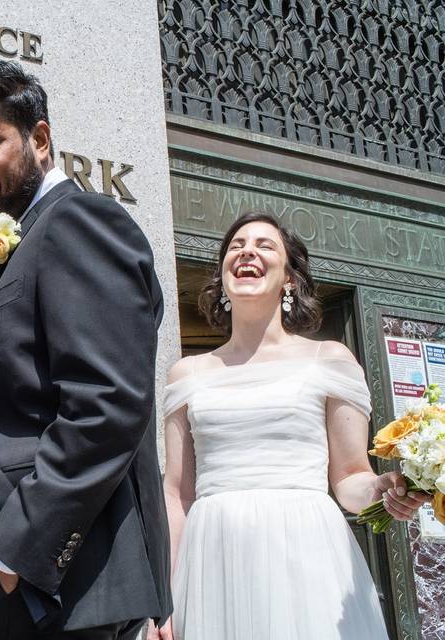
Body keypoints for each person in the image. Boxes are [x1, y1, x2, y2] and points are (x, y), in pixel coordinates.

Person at [0, 60, 171, 639]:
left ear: (40, 139)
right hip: (15, 565)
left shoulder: (81, 221)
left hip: (56, 584)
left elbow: (106, 408)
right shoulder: (29, 235)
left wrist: (13, 552)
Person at [147, 213, 429, 640]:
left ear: (290, 280)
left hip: (304, 549)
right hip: (213, 559)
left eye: (265, 245)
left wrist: (381, 491)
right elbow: (176, 494)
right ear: (223, 277)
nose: (247, 251)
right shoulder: (186, 374)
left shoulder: (329, 359)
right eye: (236, 245)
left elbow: (350, 477)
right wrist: (162, 600)